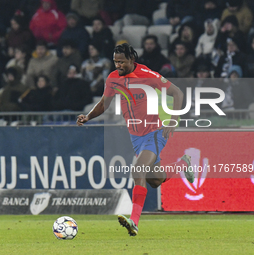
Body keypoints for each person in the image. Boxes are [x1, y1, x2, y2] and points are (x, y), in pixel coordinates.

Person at [77, 43, 194, 236]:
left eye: (121, 62)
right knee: (155, 180)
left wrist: (173, 120)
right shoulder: (113, 78)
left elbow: (177, 93)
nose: (118, 66)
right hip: (136, 137)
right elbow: (104, 103)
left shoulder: (147, 74)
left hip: (155, 132)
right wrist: (88, 116)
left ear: (132, 60)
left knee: (137, 170)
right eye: (115, 62)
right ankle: (183, 163)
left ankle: (134, 221)